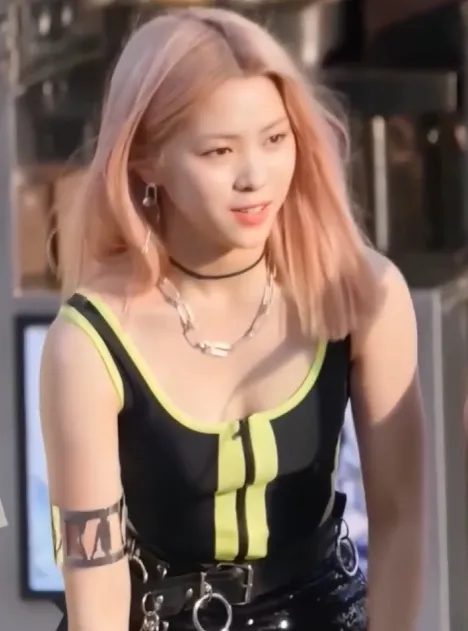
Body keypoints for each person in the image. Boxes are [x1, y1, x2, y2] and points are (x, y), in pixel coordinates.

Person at [39, 8, 425, 631]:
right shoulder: (87, 342)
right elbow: (95, 582)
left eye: (275, 139)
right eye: (219, 151)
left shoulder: (363, 293)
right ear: (144, 162)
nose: (255, 177)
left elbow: (402, 514)